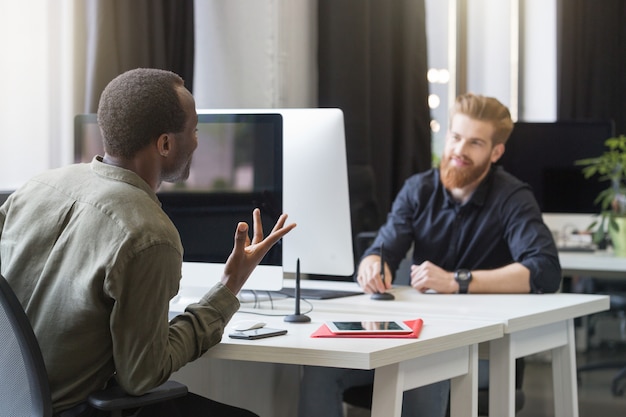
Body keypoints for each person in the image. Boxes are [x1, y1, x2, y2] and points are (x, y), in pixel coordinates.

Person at [0, 68, 296, 417]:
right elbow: (141, 376)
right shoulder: (149, 234)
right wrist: (228, 289)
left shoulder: (37, 187)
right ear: (166, 144)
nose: (198, 142)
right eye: (195, 130)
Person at [298, 93, 562, 417]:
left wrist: (457, 281)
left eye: (475, 143)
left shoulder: (514, 198)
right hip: (413, 337)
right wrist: (372, 266)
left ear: (496, 152)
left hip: (482, 351)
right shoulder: (418, 189)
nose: (459, 151)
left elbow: (545, 270)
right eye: (455, 137)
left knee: (422, 370)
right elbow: (383, 249)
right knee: (321, 367)